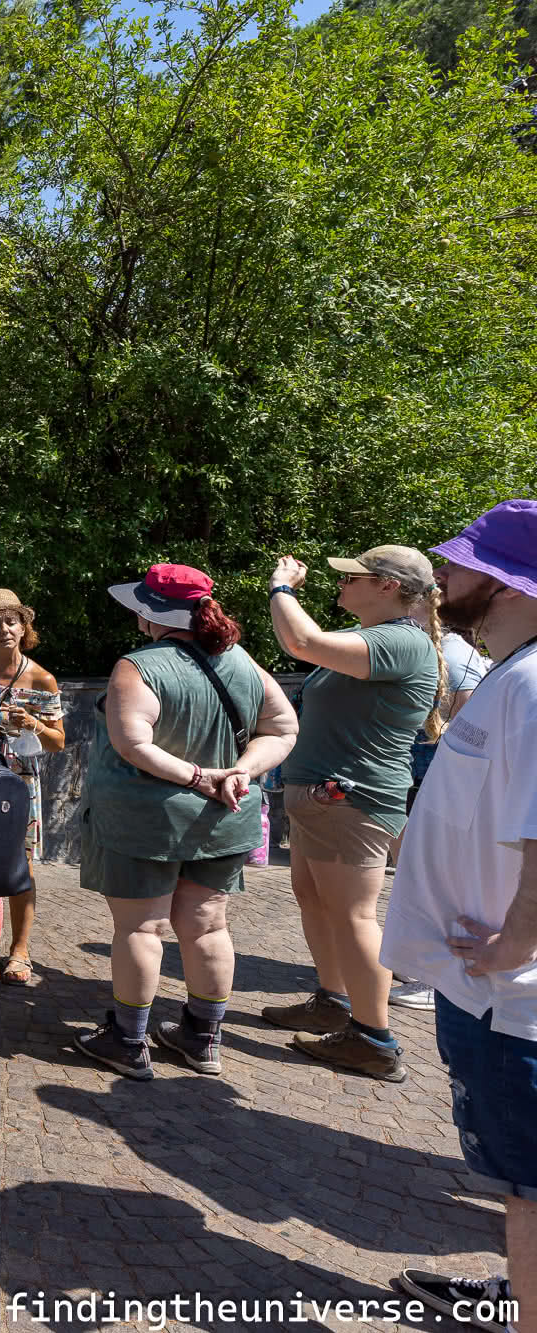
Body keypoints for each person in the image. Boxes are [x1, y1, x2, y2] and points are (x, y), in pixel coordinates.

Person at [378, 499, 537, 1326]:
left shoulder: (534, 683)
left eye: (461, 563)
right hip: (488, 989)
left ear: (510, 583)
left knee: (529, 1190)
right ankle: (518, 1290)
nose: (443, 574)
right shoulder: (515, 673)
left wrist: (516, 942)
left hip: (508, 999)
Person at [72, 565, 298, 1080]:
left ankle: (128, 1040)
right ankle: (202, 1037)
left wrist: (199, 777)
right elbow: (283, 727)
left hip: (145, 822)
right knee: (208, 926)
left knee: (141, 927)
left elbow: (133, 744)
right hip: (223, 819)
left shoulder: (137, 667)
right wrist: (241, 773)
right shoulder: (240, 660)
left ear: (151, 612)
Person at [261, 544, 443, 1082]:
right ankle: (333, 1003)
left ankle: (374, 1039)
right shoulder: (372, 638)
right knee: (316, 900)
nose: (342, 584)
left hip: (353, 800)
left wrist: (281, 587)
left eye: (353, 577)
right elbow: (306, 647)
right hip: (326, 798)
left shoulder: (400, 641)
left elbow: (302, 641)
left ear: (388, 586)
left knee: (354, 915)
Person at [0, 589, 68, 987]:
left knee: (19, 866)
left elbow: (58, 741)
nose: (4, 629)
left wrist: (33, 724)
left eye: (12, 621)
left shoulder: (41, 678)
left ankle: (20, 950)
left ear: (24, 627)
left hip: (17, 781)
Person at [391, 625, 491, 1010]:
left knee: (439, 880)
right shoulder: (445, 649)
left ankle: (436, 980)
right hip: (428, 779)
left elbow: (469, 722)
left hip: (441, 781)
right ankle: (426, 969)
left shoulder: (455, 653)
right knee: (421, 876)